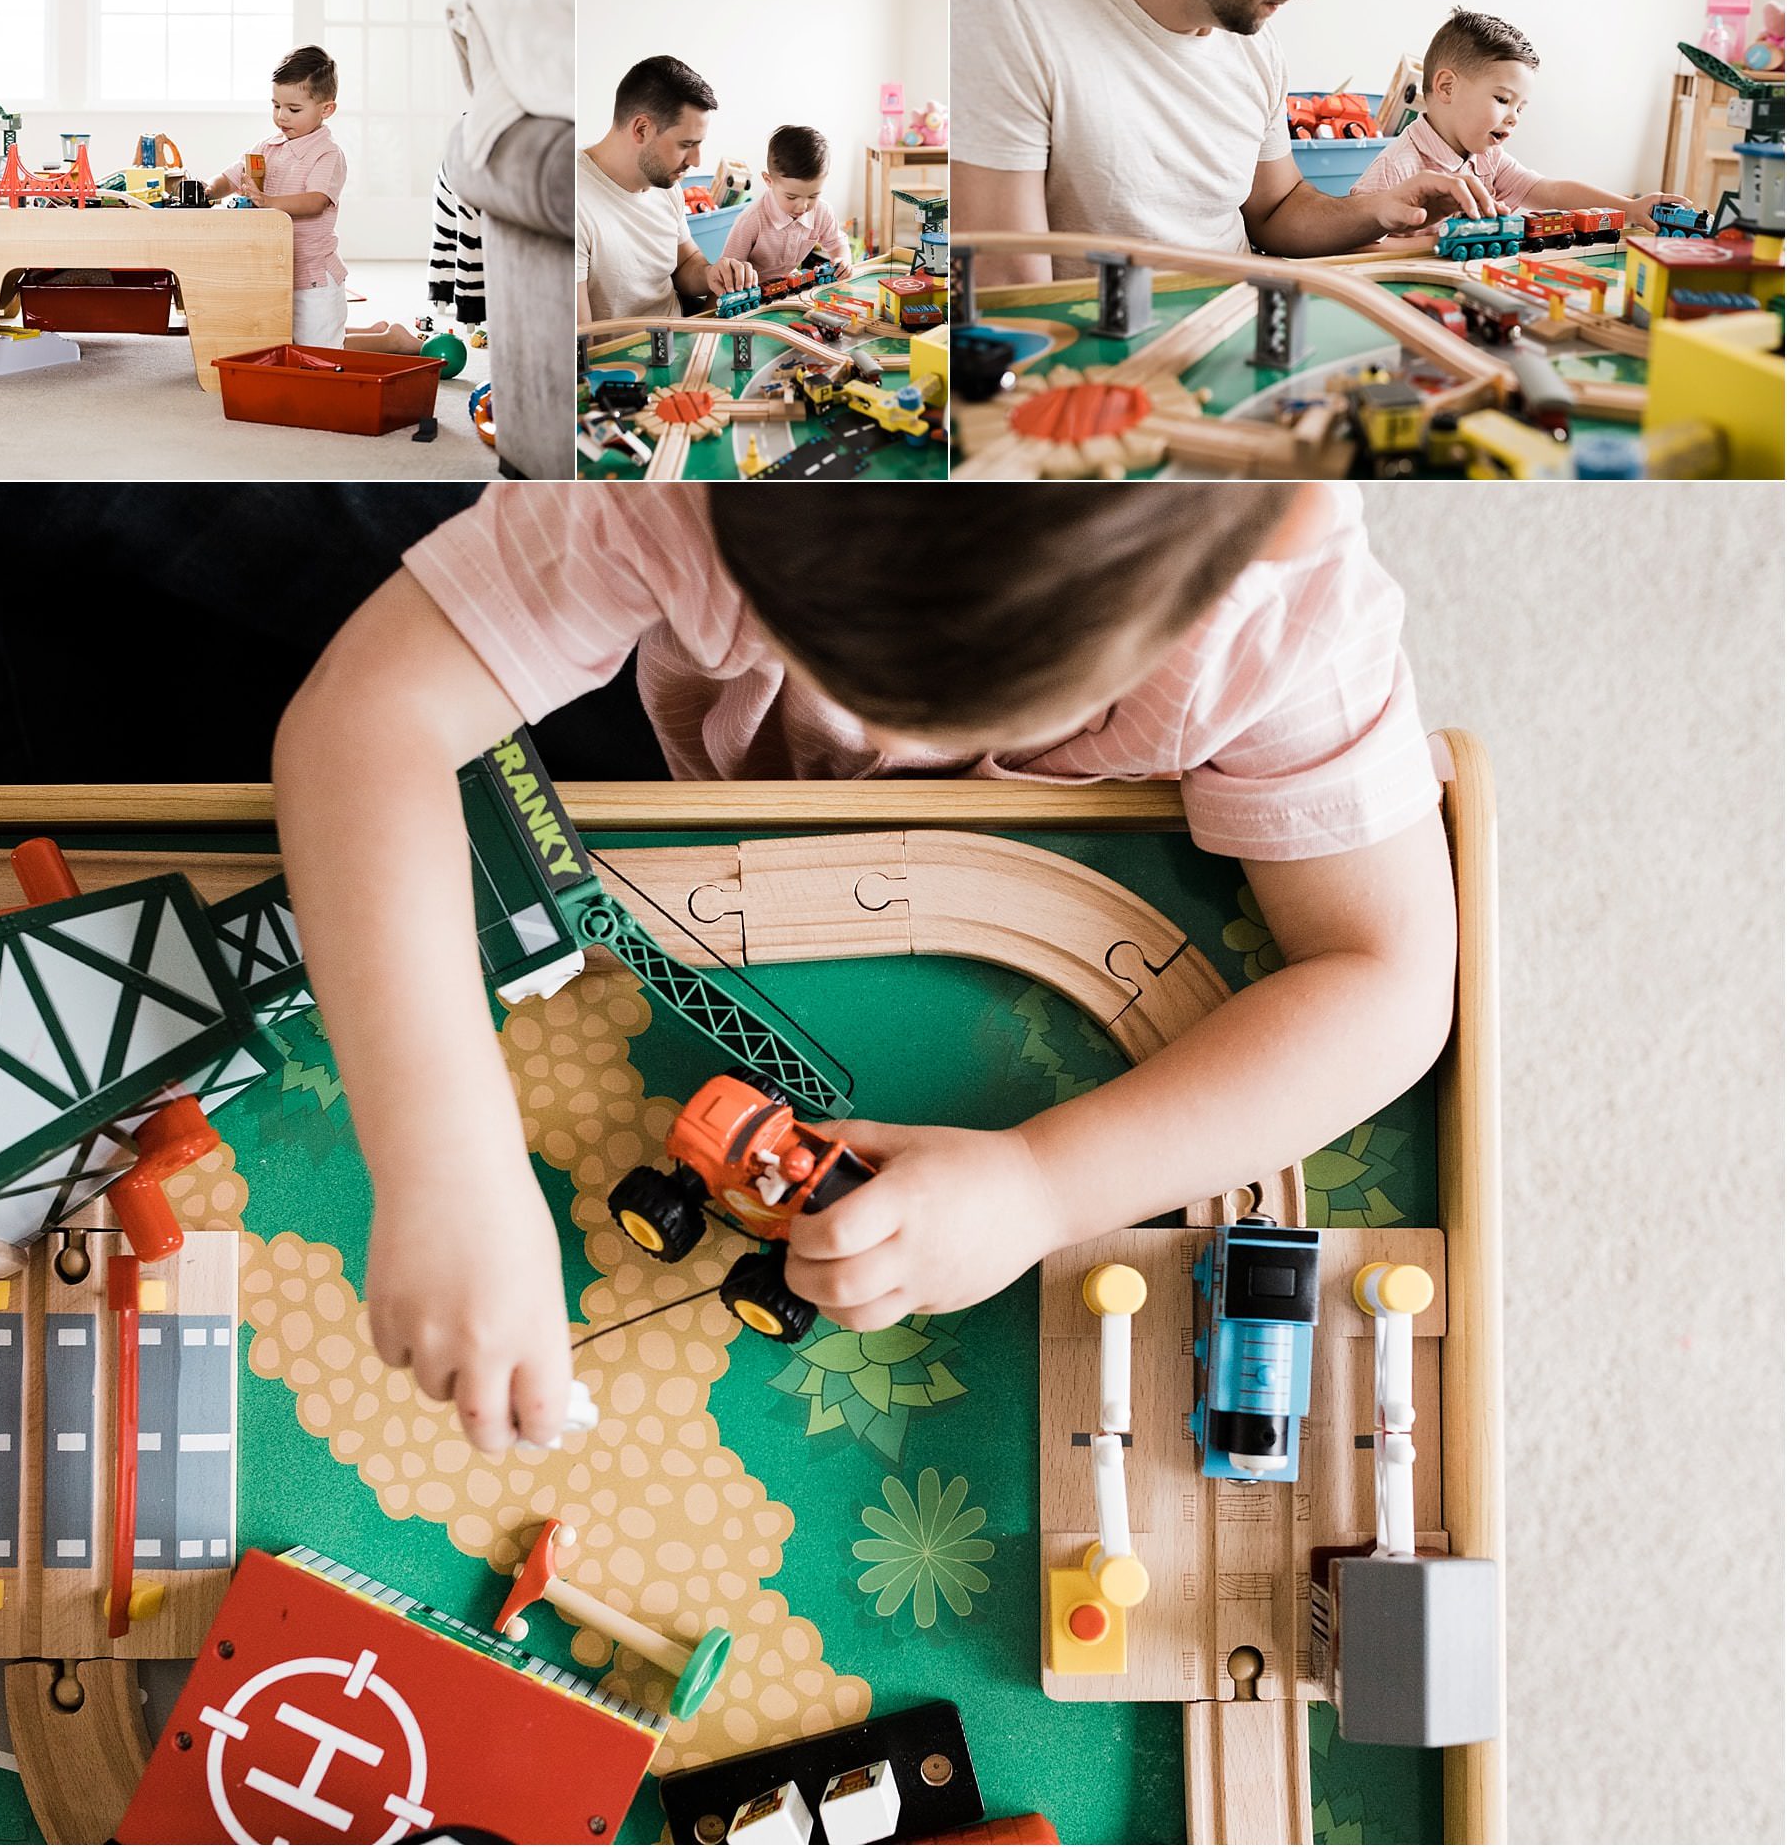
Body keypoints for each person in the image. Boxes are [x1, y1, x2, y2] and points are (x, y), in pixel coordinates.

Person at [271, 485, 1457, 1451]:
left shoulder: (1284, 603)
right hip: (663, 757)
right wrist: (448, 1166)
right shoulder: (679, 480)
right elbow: (368, 715)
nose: (880, 729)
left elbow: (1389, 978)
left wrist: (1045, 1184)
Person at [952, 0, 1492, 277]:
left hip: (1236, 324)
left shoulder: (1255, 43)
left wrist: (1380, 207)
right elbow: (1008, 290)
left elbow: (1275, 209)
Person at [1352, 8, 1683, 220]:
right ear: (1447, 88)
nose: (1513, 118)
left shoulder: (1489, 159)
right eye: (1502, 99)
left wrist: (1630, 208)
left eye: (1520, 108)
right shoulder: (1394, 169)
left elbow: (1549, 191)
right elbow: (1358, 245)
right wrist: (1439, 243)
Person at [575, 54, 759, 326]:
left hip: (679, 340)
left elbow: (685, 264)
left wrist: (710, 274)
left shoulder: (665, 182)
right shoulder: (570, 202)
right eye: (686, 144)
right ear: (642, 129)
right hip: (621, 364)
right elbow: (579, 343)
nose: (696, 161)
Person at [208, 45, 348, 346]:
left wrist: (270, 203)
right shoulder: (268, 147)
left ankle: (392, 342)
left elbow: (316, 200)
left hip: (313, 279)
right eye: (276, 106)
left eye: (293, 110)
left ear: (326, 109)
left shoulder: (327, 154)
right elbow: (231, 176)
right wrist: (207, 190)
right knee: (280, 343)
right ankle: (386, 337)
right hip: (272, 272)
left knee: (323, 352)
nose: (281, 117)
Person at [720, 124, 851, 283]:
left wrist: (842, 260)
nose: (803, 206)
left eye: (813, 196)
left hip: (788, 285)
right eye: (791, 197)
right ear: (769, 181)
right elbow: (728, 268)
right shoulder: (751, 220)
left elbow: (837, 243)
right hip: (751, 289)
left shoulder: (822, 212)